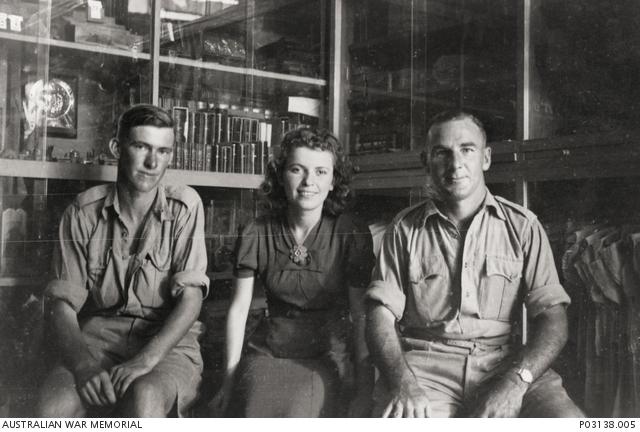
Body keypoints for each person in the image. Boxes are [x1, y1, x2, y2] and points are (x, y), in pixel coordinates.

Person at [365, 110, 584, 418]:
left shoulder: (523, 226)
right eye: (442, 153)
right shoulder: (403, 229)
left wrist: (516, 381)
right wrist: (403, 383)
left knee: (572, 423)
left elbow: (554, 319)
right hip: (427, 371)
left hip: (505, 365)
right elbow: (380, 316)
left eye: (467, 150)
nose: (456, 165)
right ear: (425, 161)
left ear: (486, 158)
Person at [36, 104, 208, 417]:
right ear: (117, 148)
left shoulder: (185, 206)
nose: (153, 162)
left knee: (144, 399)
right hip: (96, 344)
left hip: (165, 346)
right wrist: (84, 365)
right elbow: (62, 305)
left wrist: (147, 360)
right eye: (141, 146)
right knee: (53, 407)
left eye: (163, 151)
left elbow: (191, 298)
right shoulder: (83, 212)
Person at [209, 127, 375, 417]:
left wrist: (363, 389)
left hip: (327, 356)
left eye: (321, 172)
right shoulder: (256, 232)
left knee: (298, 409)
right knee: (252, 408)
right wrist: (228, 382)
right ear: (281, 175)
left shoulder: (350, 232)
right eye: (297, 169)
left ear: (334, 180)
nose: (309, 182)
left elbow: (361, 314)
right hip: (269, 351)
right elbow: (239, 311)